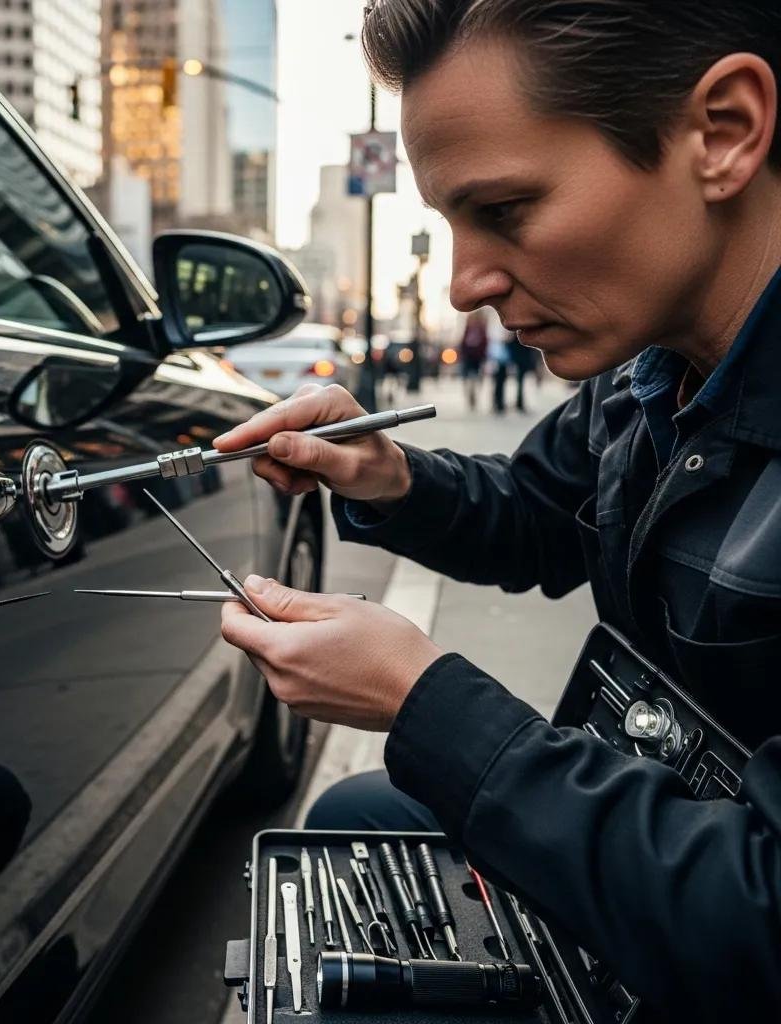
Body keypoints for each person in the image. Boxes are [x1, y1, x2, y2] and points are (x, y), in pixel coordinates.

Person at [213, 2, 781, 1019]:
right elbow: (537, 512)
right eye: (448, 224)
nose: (468, 283)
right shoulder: (647, 370)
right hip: (659, 823)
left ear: (724, 132)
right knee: (349, 821)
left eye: (507, 211)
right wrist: (387, 475)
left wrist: (423, 698)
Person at [457, 308, 489, 409]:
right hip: (469, 357)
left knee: (475, 378)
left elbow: (484, 343)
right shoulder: (470, 328)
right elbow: (463, 342)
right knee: (468, 378)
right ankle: (470, 394)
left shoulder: (481, 328)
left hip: (476, 357)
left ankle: (473, 394)